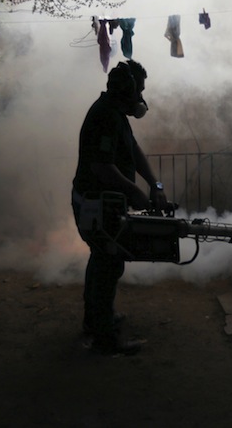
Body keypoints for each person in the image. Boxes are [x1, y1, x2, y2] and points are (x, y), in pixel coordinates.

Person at [71, 60, 168, 356]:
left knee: (102, 259)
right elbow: (101, 167)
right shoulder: (105, 116)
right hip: (96, 205)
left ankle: (96, 320)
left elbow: (133, 151)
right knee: (109, 263)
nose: (141, 97)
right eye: (139, 90)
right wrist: (135, 191)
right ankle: (105, 338)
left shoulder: (115, 114)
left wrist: (154, 184)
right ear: (126, 89)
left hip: (102, 203)